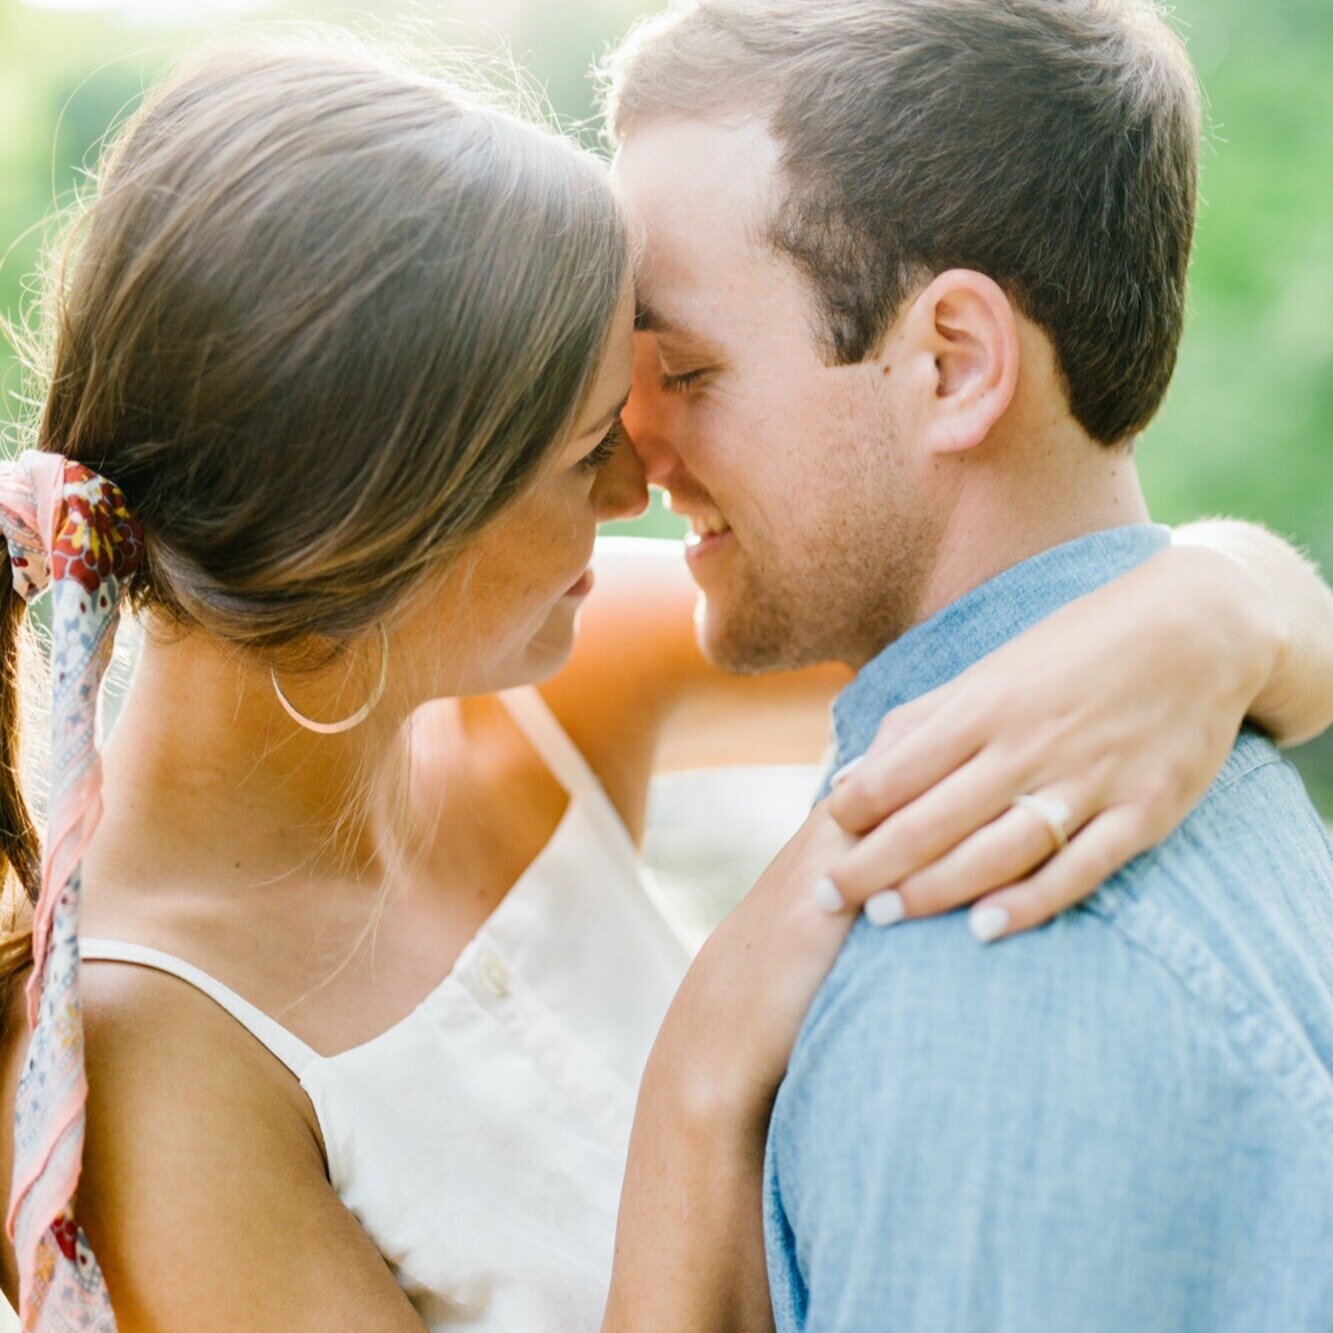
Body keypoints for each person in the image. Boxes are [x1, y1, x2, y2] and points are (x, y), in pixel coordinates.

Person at [0, 27, 1326, 1333]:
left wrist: (1218, 604)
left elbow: (994, 626)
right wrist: (698, 1087)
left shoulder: (517, 678)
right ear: (382, 535)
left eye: (675, 379)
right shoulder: (145, 1055)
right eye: (587, 450)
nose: (643, 484)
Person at [604, 0, 1333, 1328]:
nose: (630, 449)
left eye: (690, 369)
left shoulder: (993, 971)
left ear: (951, 363)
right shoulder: (1211, 757)